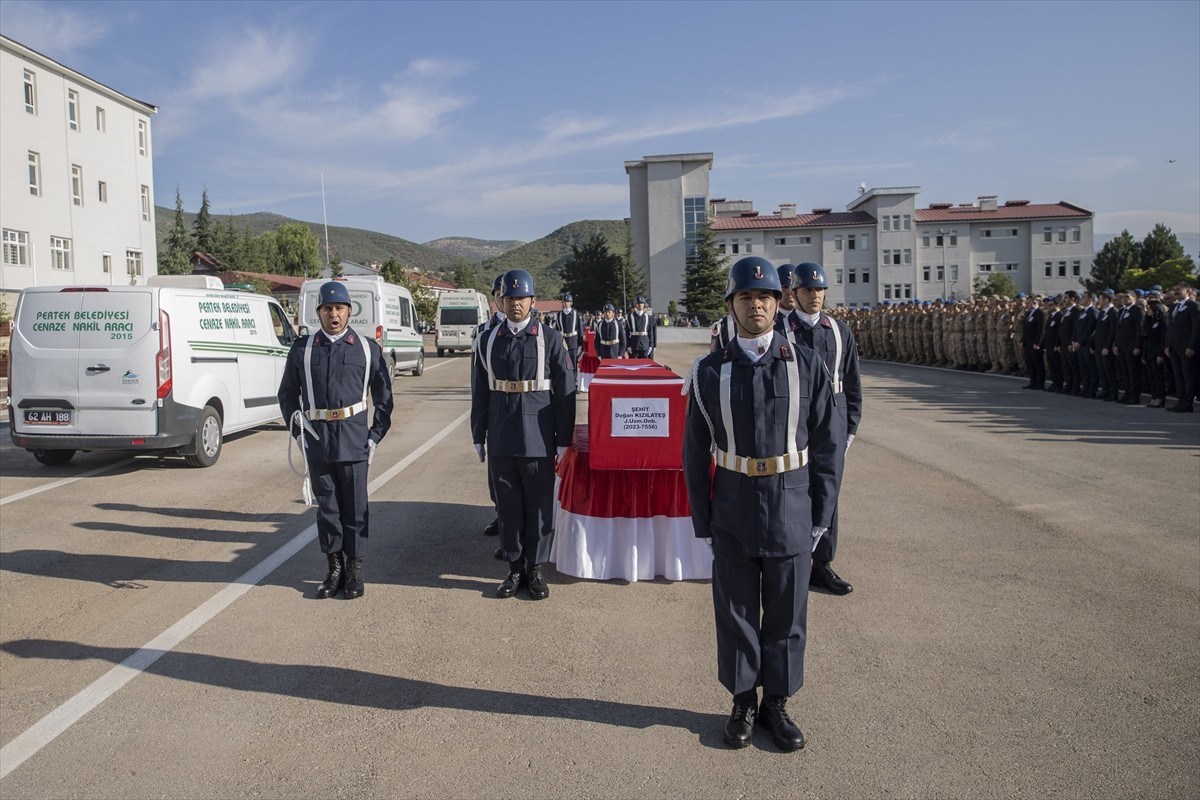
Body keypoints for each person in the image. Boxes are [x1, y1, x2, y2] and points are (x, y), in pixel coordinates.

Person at [682, 255, 842, 752]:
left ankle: (778, 702)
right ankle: (742, 702)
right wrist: (702, 517)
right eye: (746, 298)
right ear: (731, 305)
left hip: (791, 503)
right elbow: (693, 450)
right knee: (735, 610)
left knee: (787, 611)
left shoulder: (807, 365)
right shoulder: (710, 372)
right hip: (732, 503)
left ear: (781, 303)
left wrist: (822, 515)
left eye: (766, 297)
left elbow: (828, 445)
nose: (757, 305)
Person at [278, 281, 394, 600]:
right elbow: (287, 393)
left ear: (349, 311)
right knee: (327, 509)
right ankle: (334, 568)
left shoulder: (367, 349)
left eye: (339, 308)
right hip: (318, 441)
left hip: (355, 440)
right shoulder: (303, 349)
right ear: (319, 313)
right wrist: (298, 428)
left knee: (355, 509)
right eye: (327, 309)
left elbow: (384, 397)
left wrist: (375, 435)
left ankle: (355, 570)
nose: (334, 314)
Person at [471, 269, 576, 600]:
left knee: (539, 506)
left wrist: (563, 439)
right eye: (510, 298)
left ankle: (535, 569)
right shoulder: (487, 340)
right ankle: (514, 569)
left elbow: (566, 393)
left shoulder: (551, 339)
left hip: (538, 437)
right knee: (509, 505)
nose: (515, 304)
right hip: (502, 435)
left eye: (522, 298)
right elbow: (480, 392)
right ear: (500, 301)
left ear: (533, 301)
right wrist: (478, 433)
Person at [786, 262, 861, 596]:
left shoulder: (839, 330)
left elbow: (852, 383)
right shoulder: (781, 330)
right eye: (807, 290)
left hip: (832, 424)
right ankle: (793, 558)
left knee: (827, 493)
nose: (814, 296)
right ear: (794, 293)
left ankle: (822, 564)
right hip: (794, 423)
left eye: (819, 290)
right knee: (793, 491)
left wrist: (850, 428)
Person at [474, 274, 507, 544]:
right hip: (495, 406)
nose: (501, 298)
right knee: (496, 473)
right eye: (497, 293)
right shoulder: (483, 331)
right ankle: (500, 513)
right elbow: (478, 379)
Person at [1165, 283, 1198, 412]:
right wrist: (1168, 345)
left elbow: (1196, 328)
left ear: (1187, 291)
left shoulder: (1193, 306)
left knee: (1188, 375)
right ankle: (1181, 401)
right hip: (1174, 347)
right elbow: (1170, 328)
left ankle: (1188, 403)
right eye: (1175, 290)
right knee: (1178, 375)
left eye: (1179, 289)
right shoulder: (1175, 307)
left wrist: (1191, 346)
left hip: (1186, 347)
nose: (1176, 292)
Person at [1114, 290, 1145, 404]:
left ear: (1134, 298)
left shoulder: (1137, 310)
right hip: (1122, 346)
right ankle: (1127, 394)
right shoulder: (1121, 311)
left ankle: (1134, 396)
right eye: (1123, 298)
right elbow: (1118, 330)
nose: (1125, 299)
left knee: (1133, 373)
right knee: (1125, 372)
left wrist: (1137, 346)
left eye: (1127, 297)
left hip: (1132, 346)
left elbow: (1139, 329)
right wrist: (1116, 344)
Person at [1021, 294, 1047, 389]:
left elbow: (1041, 329)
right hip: (1027, 343)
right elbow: (1025, 328)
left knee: (1038, 363)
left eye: (1028, 303)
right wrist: (1022, 340)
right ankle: (1033, 381)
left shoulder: (1041, 313)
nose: (1027, 304)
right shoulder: (1028, 313)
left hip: (1035, 343)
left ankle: (1040, 383)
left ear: (1035, 302)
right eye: (1026, 302)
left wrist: (1038, 343)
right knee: (1030, 363)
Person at [555, 293, 583, 367]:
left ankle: (573, 378)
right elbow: (557, 330)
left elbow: (580, 329)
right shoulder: (559, 315)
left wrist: (580, 344)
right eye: (564, 302)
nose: (566, 303)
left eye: (568, 302)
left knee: (573, 363)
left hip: (573, 341)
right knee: (564, 363)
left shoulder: (576, 313)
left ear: (571, 303)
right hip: (563, 341)